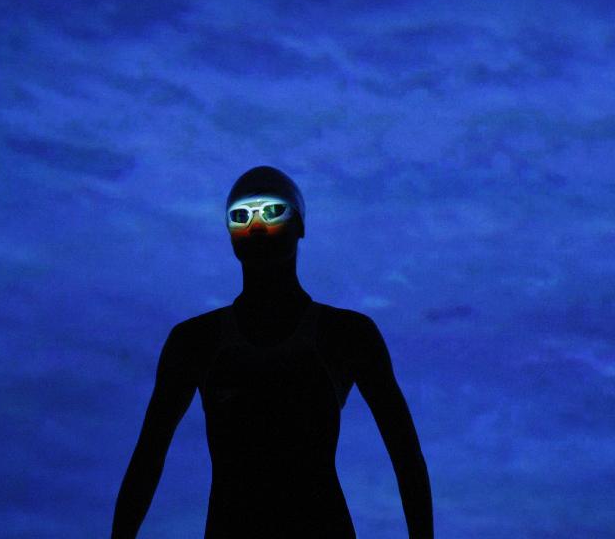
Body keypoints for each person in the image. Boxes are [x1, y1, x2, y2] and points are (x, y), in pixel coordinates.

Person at [111, 166, 433, 538]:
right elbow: (147, 459)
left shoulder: (346, 335)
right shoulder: (194, 341)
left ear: (300, 225)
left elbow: (406, 456)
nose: (257, 227)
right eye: (241, 216)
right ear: (229, 235)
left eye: (271, 211)